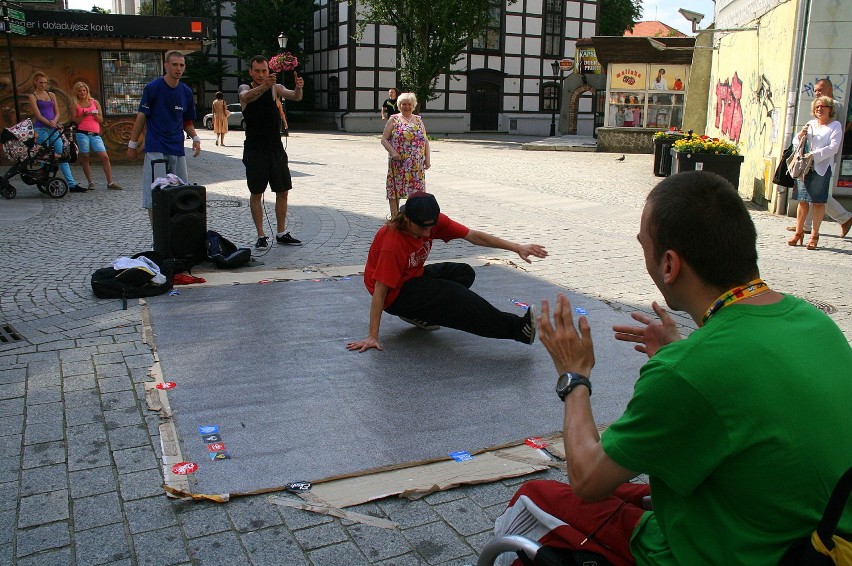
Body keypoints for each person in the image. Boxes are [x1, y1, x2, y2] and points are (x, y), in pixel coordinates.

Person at [493, 171, 852, 565]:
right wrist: (686, 349)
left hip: (731, 552)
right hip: (817, 542)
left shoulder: (685, 372)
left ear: (669, 265)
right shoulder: (814, 321)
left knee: (535, 497)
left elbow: (587, 480)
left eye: (643, 245)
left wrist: (573, 376)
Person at [346, 191, 548, 353]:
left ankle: (423, 314)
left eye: (431, 228)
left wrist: (516, 247)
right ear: (406, 219)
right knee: (454, 296)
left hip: (412, 277)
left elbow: (473, 236)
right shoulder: (392, 242)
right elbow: (380, 292)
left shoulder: (429, 220)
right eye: (422, 229)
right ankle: (519, 329)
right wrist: (372, 335)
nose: (427, 234)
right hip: (395, 295)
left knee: (463, 273)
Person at [126, 51, 201, 223]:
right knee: (155, 195)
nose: (178, 68)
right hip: (156, 148)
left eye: (181, 65)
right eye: (174, 64)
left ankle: (176, 235)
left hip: (177, 148)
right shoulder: (153, 88)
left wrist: (196, 139)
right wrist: (132, 143)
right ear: (166, 65)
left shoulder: (186, 92)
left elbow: (186, 120)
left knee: (182, 194)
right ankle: (157, 237)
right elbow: (141, 116)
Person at [239, 55, 304, 249]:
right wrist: (264, 86)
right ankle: (261, 235)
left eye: (264, 71)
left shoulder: (275, 88)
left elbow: (295, 96)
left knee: (282, 190)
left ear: (269, 71)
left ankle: (281, 232)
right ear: (251, 72)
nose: (261, 74)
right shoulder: (245, 88)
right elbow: (245, 98)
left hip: (275, 148)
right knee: (256, 192)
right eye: (257, 71)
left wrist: (299, 86)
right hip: (255, 149)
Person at [786, 79, 852, 237]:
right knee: (814, 194)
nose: (817, 93)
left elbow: (837, 132)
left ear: (830, 89)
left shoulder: (835, 106)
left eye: (820, 89)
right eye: (815, 90)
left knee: (818, 195)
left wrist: (821, 154)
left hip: (825, 158)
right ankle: (806, 225)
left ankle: (842, 218)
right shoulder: (815, 112)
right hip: (811, 159)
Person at [787, 95, 842, 250]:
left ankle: (814, 235)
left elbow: (834, 147)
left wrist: (814, 155)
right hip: (805, 167)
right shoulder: (810, 124)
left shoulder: (835, 126)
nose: (819, 109)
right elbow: (796, 143)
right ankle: (798, 233)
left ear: (830, 109)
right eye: (817, 107)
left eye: (823, 106)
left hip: (821, 167)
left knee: (818, 202)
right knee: (802, 201)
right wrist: (801, 135)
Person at [27, 72, 81, 192]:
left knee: (61, 153)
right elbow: (38, 115)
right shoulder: (33, 96)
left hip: (53, 127)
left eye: (45, 83)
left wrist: (55, 122)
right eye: (41, 82)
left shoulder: (51, 94)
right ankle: (44, 180)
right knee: (44, 156)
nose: (43, 85)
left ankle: (72, 184)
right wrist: (49, 122)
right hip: (41, 128)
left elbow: (57, 112)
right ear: (35, 82)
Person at [382, 92, 430, 216]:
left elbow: (425, 140)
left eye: (409, 104)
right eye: (404, 104)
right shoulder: (394, 119)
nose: (407, 106)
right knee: (395, 190)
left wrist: (427, 159)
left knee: (415, 192)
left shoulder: (418, 120)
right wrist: (393, 152)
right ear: (399, 105)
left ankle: (410, 217)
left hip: (416, 164)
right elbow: (384, 139)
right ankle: (394, 217)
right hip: (399, 161)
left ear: (413, 105)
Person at [72, 81, 122, 191]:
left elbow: (101, 119)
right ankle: (90, 182)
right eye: (79, 90)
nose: (82, 92)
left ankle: (110, 182)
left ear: (87, 91)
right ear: (76, 92)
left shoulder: (94, 102)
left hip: (95, 134)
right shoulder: (75, 105)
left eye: (84, 90)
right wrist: (83, 116)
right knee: (85, 157)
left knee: (104, 156)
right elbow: (75, 122)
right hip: (82, 133)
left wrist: (95, 115)